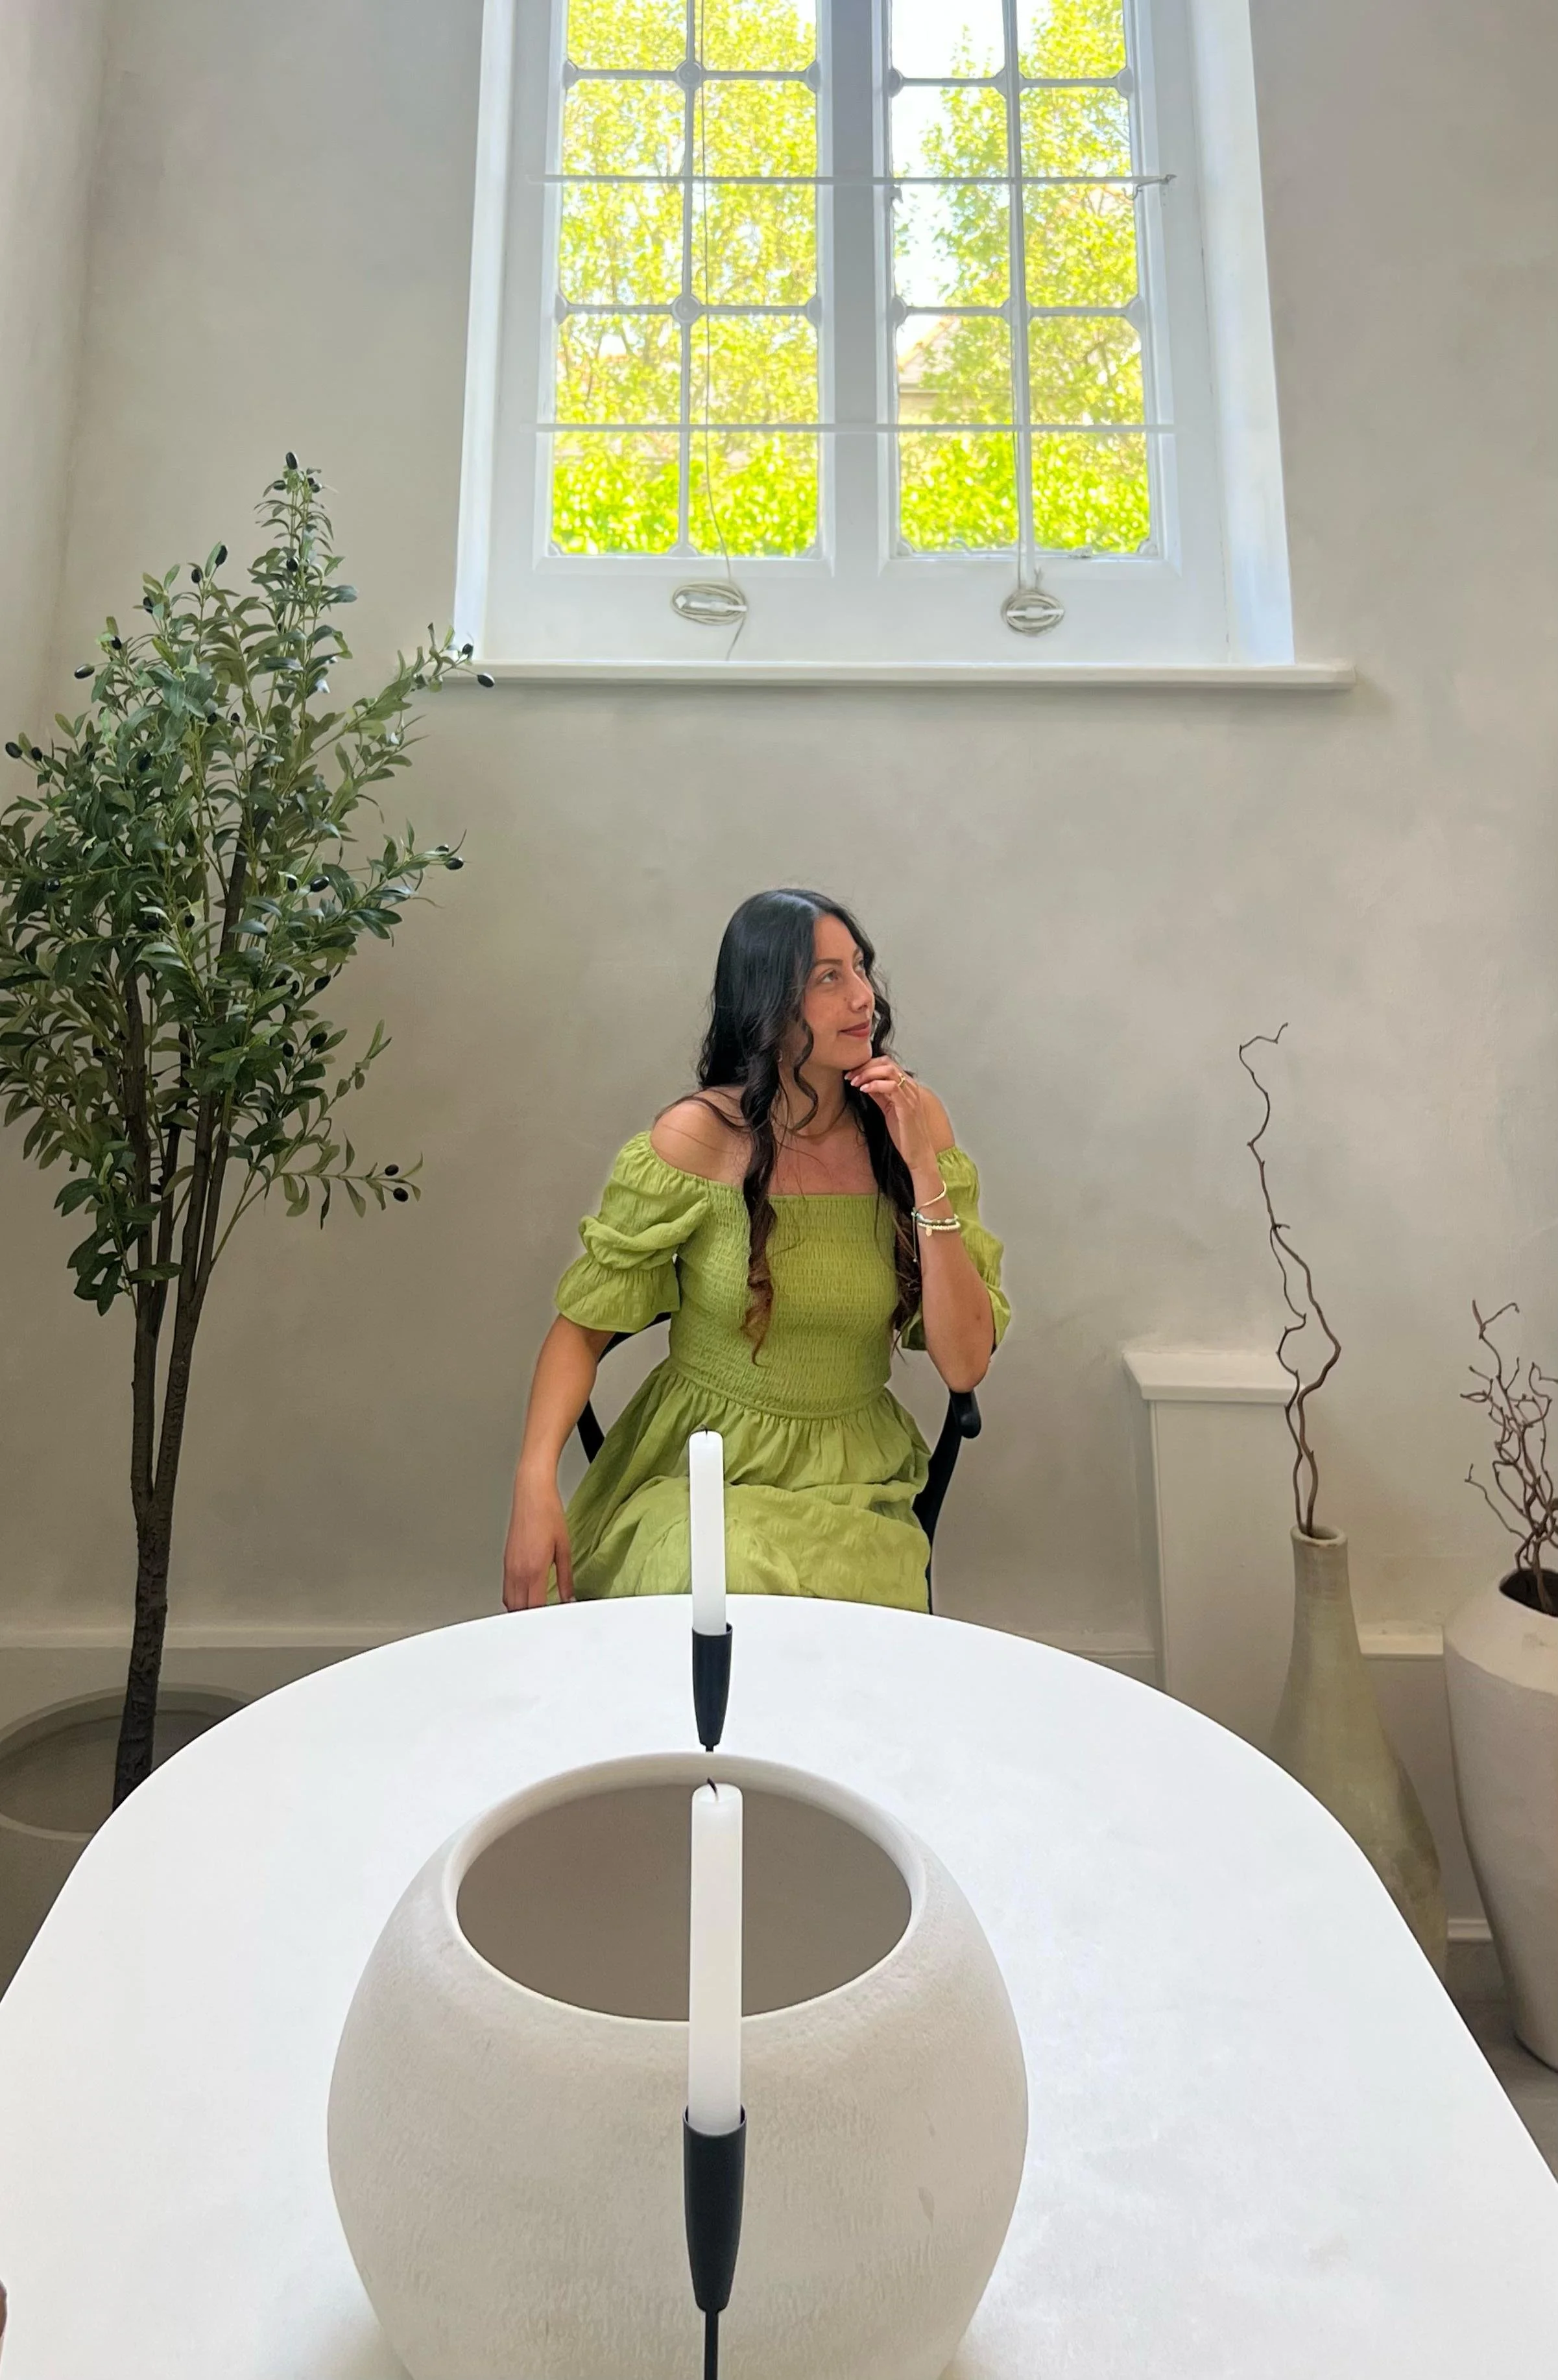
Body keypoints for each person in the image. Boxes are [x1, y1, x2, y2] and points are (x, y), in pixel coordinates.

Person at [501, 888, 1009, 1612]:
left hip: (851, 1481)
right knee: (717, 1582)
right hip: (696, 1468)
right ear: (768, 1002)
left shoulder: (912, 1119)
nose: (862, 997)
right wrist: (532, 1482)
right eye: (828, 977)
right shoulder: (699, 1138)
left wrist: (920, 1165)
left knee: (811, 1646)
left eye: (859, 968)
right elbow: (582, 1328)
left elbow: (964, 1362)